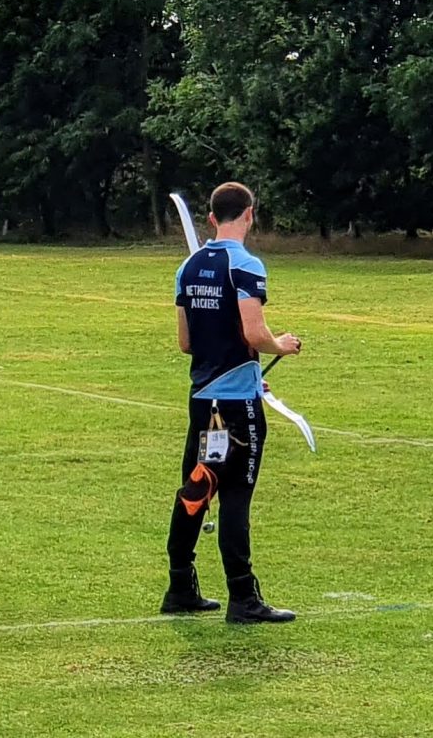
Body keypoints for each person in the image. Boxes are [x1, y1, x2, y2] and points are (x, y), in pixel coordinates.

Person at [163, 182, 301, 623]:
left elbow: (186, 342)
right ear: (249, 214)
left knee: (197, 488)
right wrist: (281, 345)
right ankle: (244, 596)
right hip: (237, 405)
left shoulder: (187, 267)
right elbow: (254, 333)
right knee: (236, 494)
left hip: (203, 399)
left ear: (210, 218)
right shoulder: (245, 264)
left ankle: (180, 585)